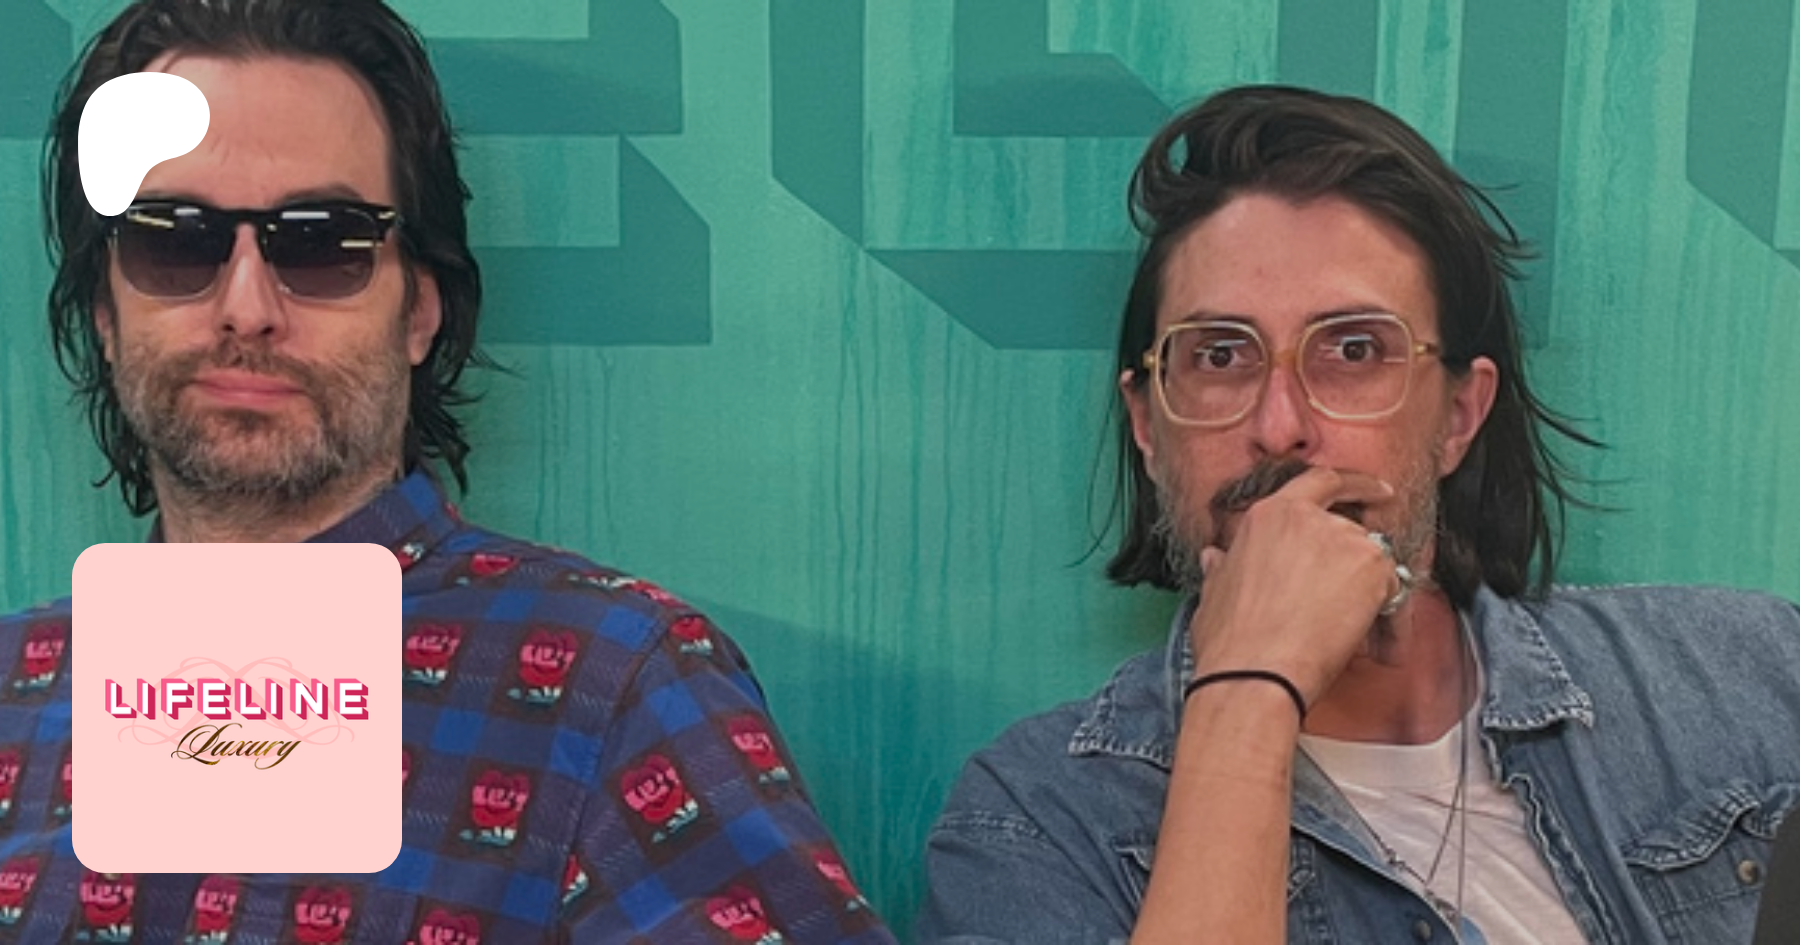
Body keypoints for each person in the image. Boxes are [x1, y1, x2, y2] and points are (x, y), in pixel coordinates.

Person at [0, 1, 894, 941]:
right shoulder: (14, 683)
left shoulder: (621, 685)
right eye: (174, 237)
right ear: (105, 312)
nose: (247, 306)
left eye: (323, 240)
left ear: (420, 311)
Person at [918, 84, 1800, 944]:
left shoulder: (1756, 673)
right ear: (1149, 426)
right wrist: (1247, 687)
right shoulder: (1035, 822)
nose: (1281, 427)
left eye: (1352, 348)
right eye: (1219, 355)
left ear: (1458, 416)